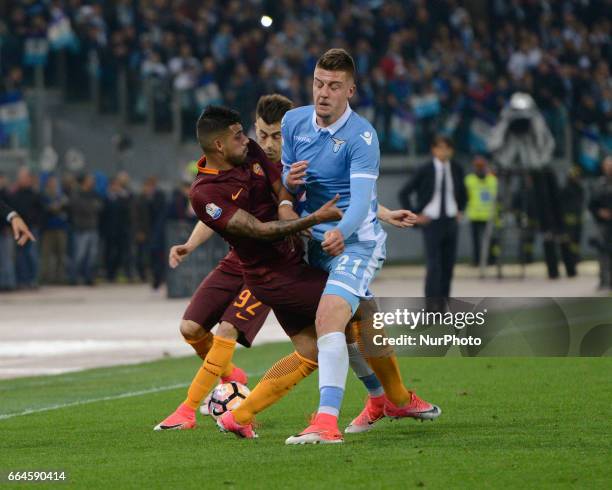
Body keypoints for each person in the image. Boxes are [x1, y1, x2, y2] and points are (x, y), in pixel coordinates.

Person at [156, 95, 421, 434]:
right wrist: (305, 217)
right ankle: (386, 399)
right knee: (354, 308)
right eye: (259, 134)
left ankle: (237, 416)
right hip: (265, 267)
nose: (263, 144)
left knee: (311, 348)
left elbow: (336, 193)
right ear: (221, 144)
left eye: (275, 136)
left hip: (286, 259)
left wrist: (290, 200)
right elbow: (254, 226)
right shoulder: (207, 189)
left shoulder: (269, 154)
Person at [281, 49, 439, 444]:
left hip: (357, 243)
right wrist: (290, 181)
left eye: (334, 86)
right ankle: (386, 400)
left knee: (329, 319)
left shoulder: (363, 136)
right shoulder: (293, 121)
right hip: (314, 244)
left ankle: (325, 422)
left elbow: (360, 199)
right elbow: (286, 181)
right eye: (319, 83)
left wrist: (342, 232)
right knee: (359, 330)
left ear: (350, 90)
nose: (323, 92)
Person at [399, 135, 467, 302]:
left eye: (447, 148)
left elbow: (463, 193)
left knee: (448, 266)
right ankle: (431, 305)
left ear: (452, 150)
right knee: (434, 266)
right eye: (439, 147)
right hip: (431, 222)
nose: (443, 151)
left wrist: (460, 210)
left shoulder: (456, 168)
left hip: (451, 221)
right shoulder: (425, 169)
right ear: (433, 150)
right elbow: (404, 192)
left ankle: (445, 304)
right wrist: (415, 215)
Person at [10, 167, 43, 288]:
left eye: (24, 177)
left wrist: (37, 224)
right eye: (20, 178)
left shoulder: (35, 194)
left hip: (32, 229)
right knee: (20, 256)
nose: (22, 180)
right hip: (19, 230)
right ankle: (22, 280)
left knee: (32, 255)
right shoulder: (14, 194)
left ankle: (33, 280)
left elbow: (41, 211)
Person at [464, 156, 498, 266]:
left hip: (489, 214)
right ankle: (477, 260)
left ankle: (491, 260)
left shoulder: (492, 179)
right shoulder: (469, 180)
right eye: (478, 166)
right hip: (475, 214)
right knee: (476, 240)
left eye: (482, 166)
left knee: (491, 240)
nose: (480, 168)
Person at [70, 173, 103, 285]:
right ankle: (74, 278)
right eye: (89, 179)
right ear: (84, 181)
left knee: (92, 255)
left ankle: (89, 277)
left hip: (93, 228)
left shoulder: (94, 193)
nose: (92, 182)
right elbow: (80, 207)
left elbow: (100, 206)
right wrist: (92, 206)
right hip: (81, 229)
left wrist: (91, 206)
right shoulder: (77, 193)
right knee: (79, 255)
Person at [588, 156, 612, 290]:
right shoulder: (599, 184)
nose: (609, 168)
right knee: (602, 252)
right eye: (607, 166)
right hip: (603, 224)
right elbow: (591, 205)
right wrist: (600, 212)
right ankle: (604, 281)